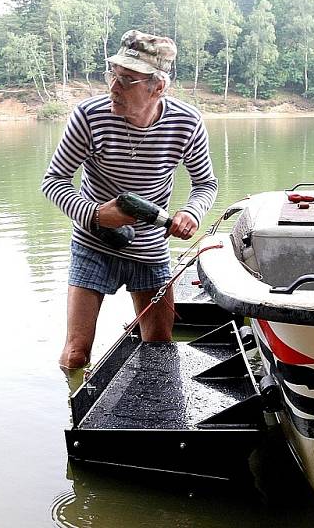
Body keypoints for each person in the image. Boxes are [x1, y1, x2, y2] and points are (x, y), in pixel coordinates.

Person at [42, 29, 218, 370]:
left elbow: (205, 184)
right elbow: (54, 181)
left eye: (127, 80)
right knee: (76, 353)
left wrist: (192, 213)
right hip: (94, 245)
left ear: (158, 87)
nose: (113, 87)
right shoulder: (88, 116)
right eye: (113, 75)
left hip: (151, 251)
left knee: (159, 344)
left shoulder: (187, 122)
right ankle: (74, 412)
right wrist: (94, 214)